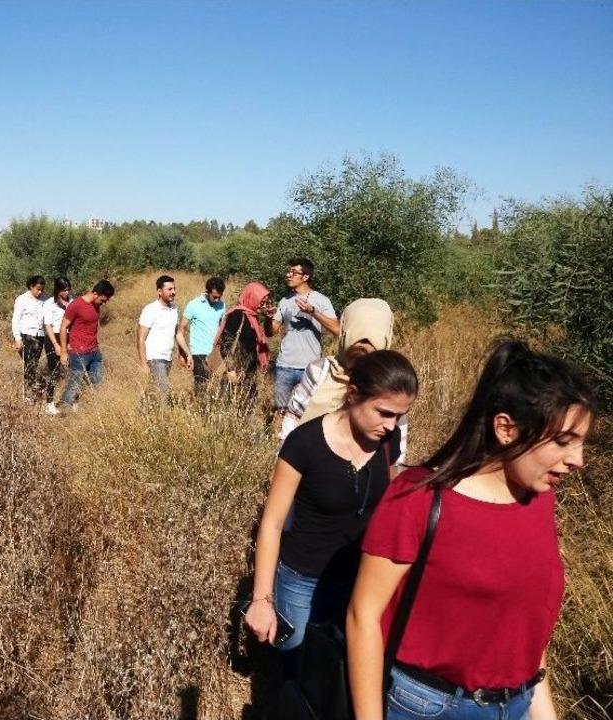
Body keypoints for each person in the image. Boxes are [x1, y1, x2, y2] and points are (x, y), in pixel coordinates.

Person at [347, 341, 595, 720]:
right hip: (426, 707)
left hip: (517, 703)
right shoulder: (417, 498)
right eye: (563, 441)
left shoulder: (539, 498)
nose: (578, 460)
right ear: (505, 428)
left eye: (581, 443)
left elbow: (523, 629)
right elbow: (363, 617)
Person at [244, 350, 418, 677]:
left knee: (339, 673)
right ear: (353, 395)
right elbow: (272, 523)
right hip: (301, 581)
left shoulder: (387, 443)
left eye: (399, 416)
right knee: (292, 672)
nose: (391, 425)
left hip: (360, 581)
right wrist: (262, 599)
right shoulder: (304, 444)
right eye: (383, 413)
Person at [279, 299, 407, 465]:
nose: (364, 347)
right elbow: (294, 416)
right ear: (344, 333)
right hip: (310, 471)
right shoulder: (321, 371)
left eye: (371, 341)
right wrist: (282, 459)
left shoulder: (393, 382)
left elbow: (398, 446)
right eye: (358, 339)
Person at [272, 258, 339, 411]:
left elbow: (336, 329)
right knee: (280, 411)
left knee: (307, 413)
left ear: (305, 277)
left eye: (293, 272)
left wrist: (313, 312)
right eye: (288, 271)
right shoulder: (284, 300)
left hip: (311, 367)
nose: (288, 275)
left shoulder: (321, 300)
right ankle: (279, 435)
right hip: (284, 365)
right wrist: (269, 318)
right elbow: (271, 332)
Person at [59, 280, 115, 411]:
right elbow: (63, 327)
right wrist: (63, 351)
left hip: (95, 352)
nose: (105, 302)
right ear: (95, 293)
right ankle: (64, 412)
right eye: (103, 299)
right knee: (74, 384)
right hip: (79, 353)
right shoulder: (76, 305)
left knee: (96, 383)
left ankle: (87, 411)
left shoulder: (96, 306)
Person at [137, 275, 193, 407]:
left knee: (153, 390)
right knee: (164, 391)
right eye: (169, 289)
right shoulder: (150, 310)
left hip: (168, 358)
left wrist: (187, 353)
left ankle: (142, 411)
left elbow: (177, 334)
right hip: (154, 358)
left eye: (174, 288)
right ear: (159, 291)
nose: (173, 292)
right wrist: (143, 364)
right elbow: (140, 338)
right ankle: (165, 421)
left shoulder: (174, 309)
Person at [214, 282, 275, 393]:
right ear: (252, 297)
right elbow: (225, 342)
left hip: (247, 371)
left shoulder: (252, 316)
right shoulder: (237, 315)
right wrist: (230, 369)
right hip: (234, 372)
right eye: (262, 301)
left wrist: (268, 318)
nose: (264, 305)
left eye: (265, 302)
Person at [181, 276, 226, 397]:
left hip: (215, 352)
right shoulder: (193, 304)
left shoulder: (222, 306)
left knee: (217, 387)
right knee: (201, 386)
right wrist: (183, 353)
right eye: (214, 297)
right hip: (198, 351)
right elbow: (182, 327)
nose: (217, 300)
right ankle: (200, 412)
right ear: (207, 291)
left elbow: (222, 327)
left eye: (219, 297)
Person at [11, 275, 47, 402]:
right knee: (29, 364)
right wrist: (17, 338)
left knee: (34, 363)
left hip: (40, 336)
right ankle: (27, 394)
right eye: (38, 289)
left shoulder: (45, 299)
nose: (40, 292)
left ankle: (34, 388)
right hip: (26, 335)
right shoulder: (22, 299)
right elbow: (15, 319)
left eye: (42, 289)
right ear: (31, 286)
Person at [42, 277, 72, 416]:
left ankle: (70, 399)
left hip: (68, 336)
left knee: (72, 369)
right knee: (54, 371)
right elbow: (47, 325)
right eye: (63, 290)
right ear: (57, 290)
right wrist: (56, 345)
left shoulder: (71, 302)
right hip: (53, 337)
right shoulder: (49, 303)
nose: (66, 292)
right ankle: (49, 403)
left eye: (68, 289)